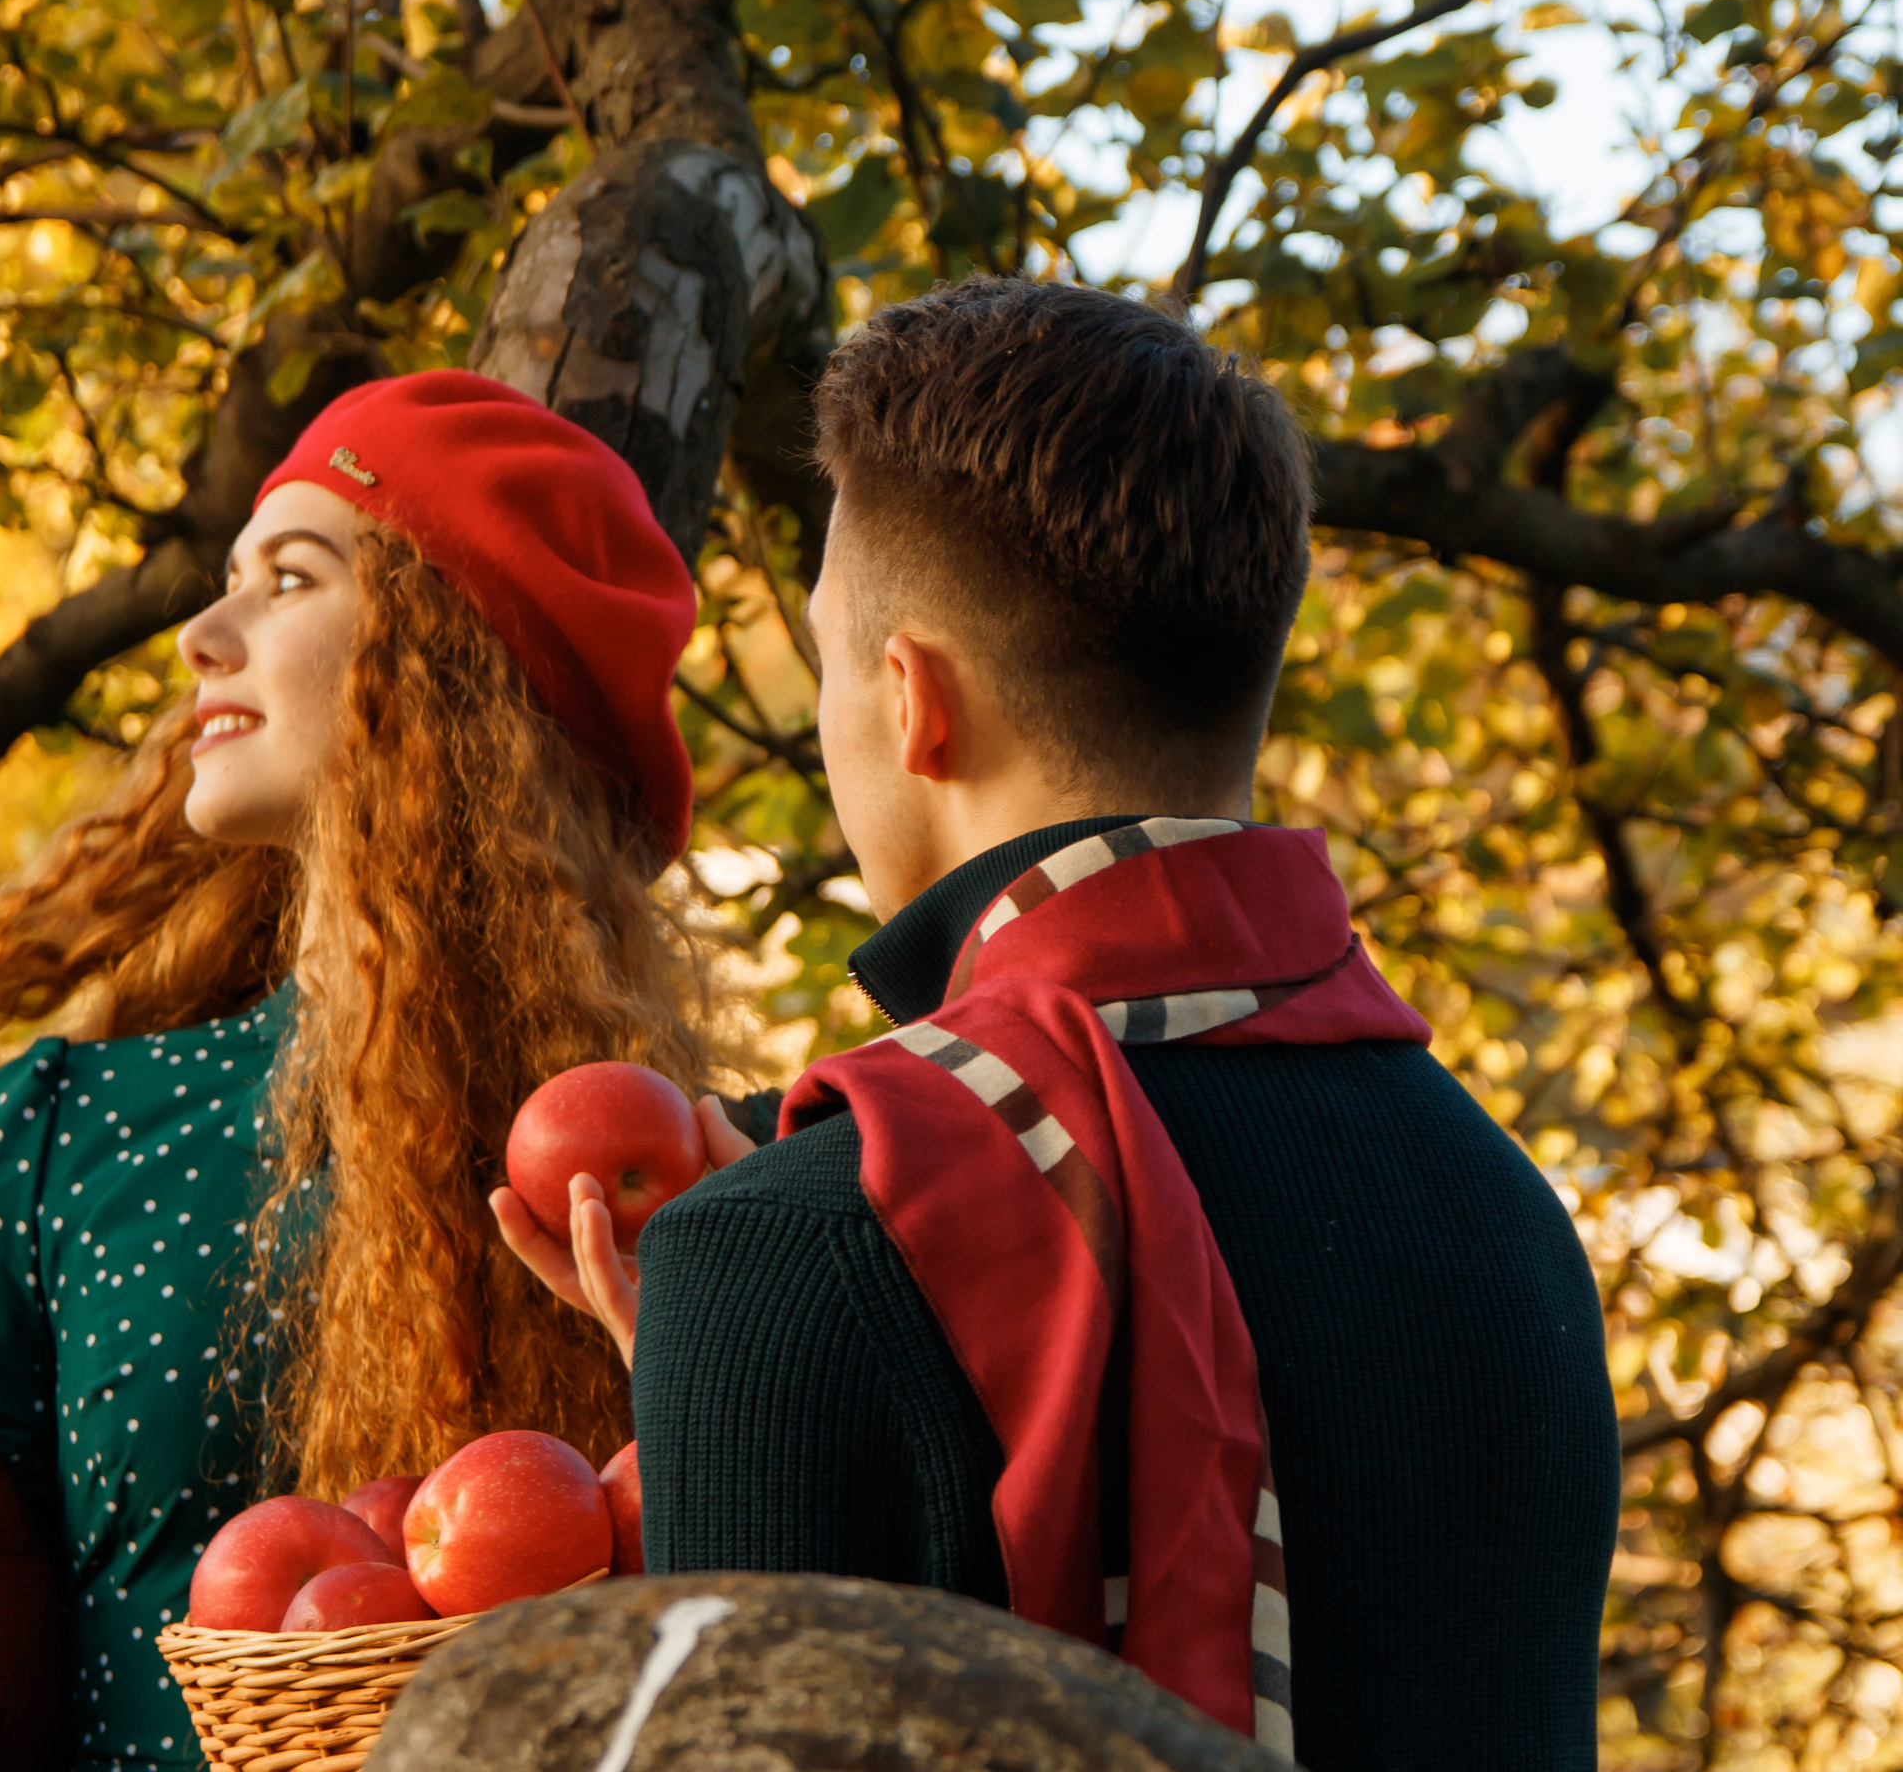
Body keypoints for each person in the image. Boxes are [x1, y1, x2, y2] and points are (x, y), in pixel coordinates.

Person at [0, 371, 771, 1772]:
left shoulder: (682, 1176)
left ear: (445, 664)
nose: (202, 635)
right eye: (224, 582)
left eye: (288, 580)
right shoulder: (73, 1130)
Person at [499, 280, 1619, 1769]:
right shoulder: (1505, 1210)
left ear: (912, 704)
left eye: (832, 656)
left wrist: (737, 1348)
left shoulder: (779, 1248)